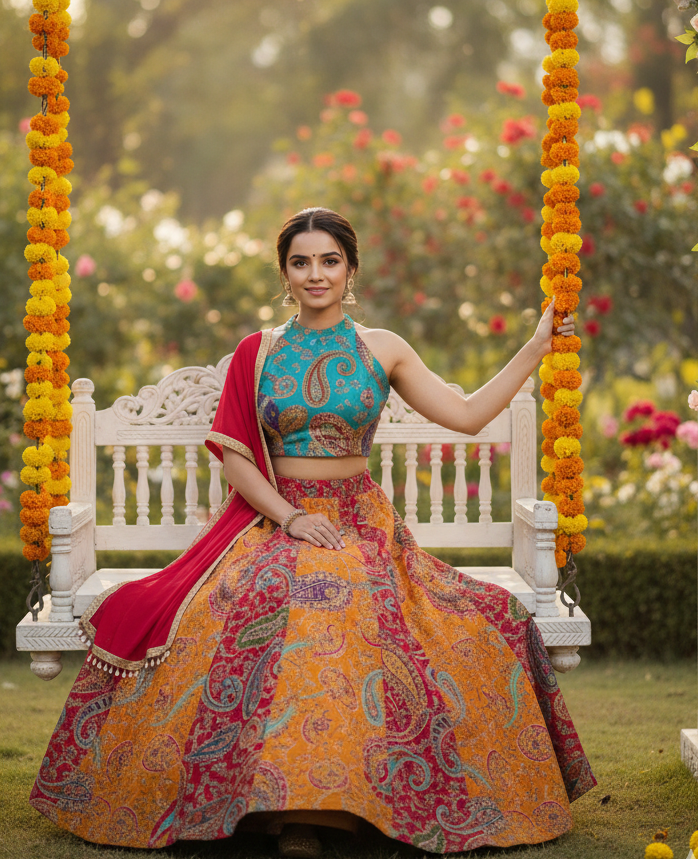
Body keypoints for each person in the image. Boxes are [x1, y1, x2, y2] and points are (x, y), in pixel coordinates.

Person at [30, 206, 595, 857]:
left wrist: (536, 345)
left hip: (360, 520)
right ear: (285, 273)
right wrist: (292, 517)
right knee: (258, 595)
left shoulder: (382, 348)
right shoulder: (259, 352)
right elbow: (238, 456)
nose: (315, 274)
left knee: (358, 590)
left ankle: (334, 808)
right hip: (273, 517)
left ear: (350, 269)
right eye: (301, 262)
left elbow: (466, 416)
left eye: (329, 261)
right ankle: (270, 805)